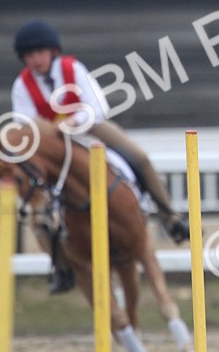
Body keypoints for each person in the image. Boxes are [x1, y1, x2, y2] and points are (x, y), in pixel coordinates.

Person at [10, 19, 189, 293]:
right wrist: (52, 134)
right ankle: (60, 266)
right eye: (29, 55)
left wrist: (67, 124)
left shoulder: (72, 68)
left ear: (52, 51)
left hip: (89, 127)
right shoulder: (21, 87)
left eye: (40, 52)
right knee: (38, 213)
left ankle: (170, 216)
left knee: (139, 157)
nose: (35, 59)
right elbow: (26, 127)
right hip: (54, 147)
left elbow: (97, 107)